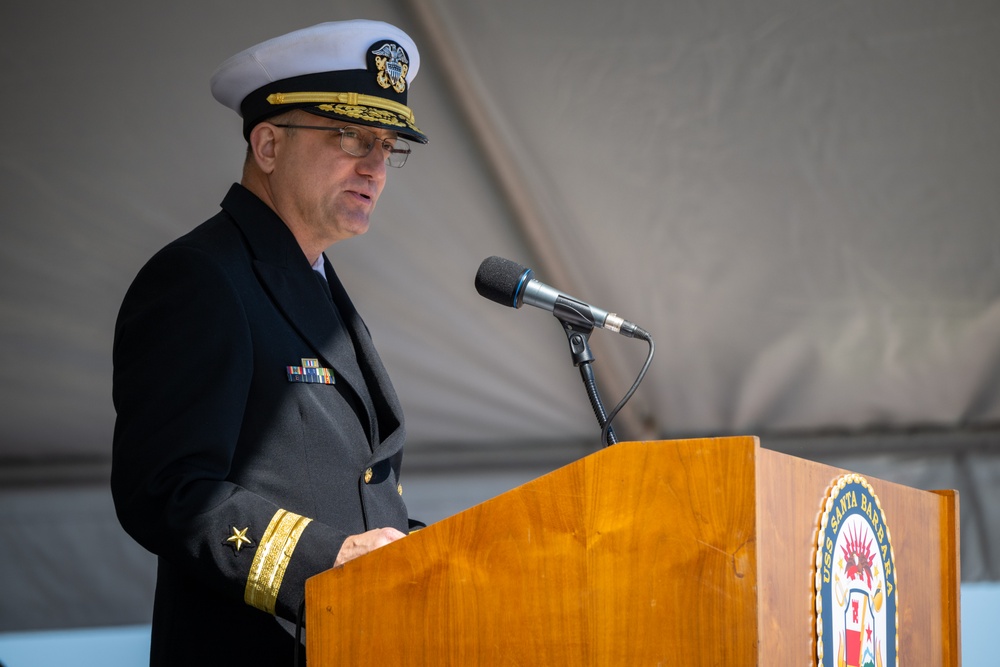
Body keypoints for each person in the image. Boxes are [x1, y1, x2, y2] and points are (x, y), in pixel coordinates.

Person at [111, 19, 428, 665]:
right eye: (351, 135)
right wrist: (326, 559)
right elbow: (166, 488)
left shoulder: (310, 281)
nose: (375, 165)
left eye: (388, 145)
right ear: (267, 144)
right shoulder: (201, 277)